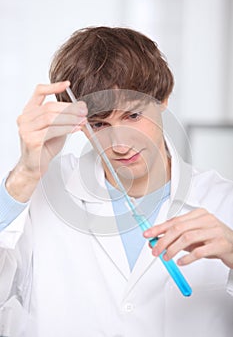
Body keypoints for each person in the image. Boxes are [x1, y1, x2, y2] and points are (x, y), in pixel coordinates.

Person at [0, 26, 233, 337]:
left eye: (133, 116)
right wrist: (26, 175)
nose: (120, 144)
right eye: (99, 124)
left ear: (162, 98)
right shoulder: (41, 194)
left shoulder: (223, 201)